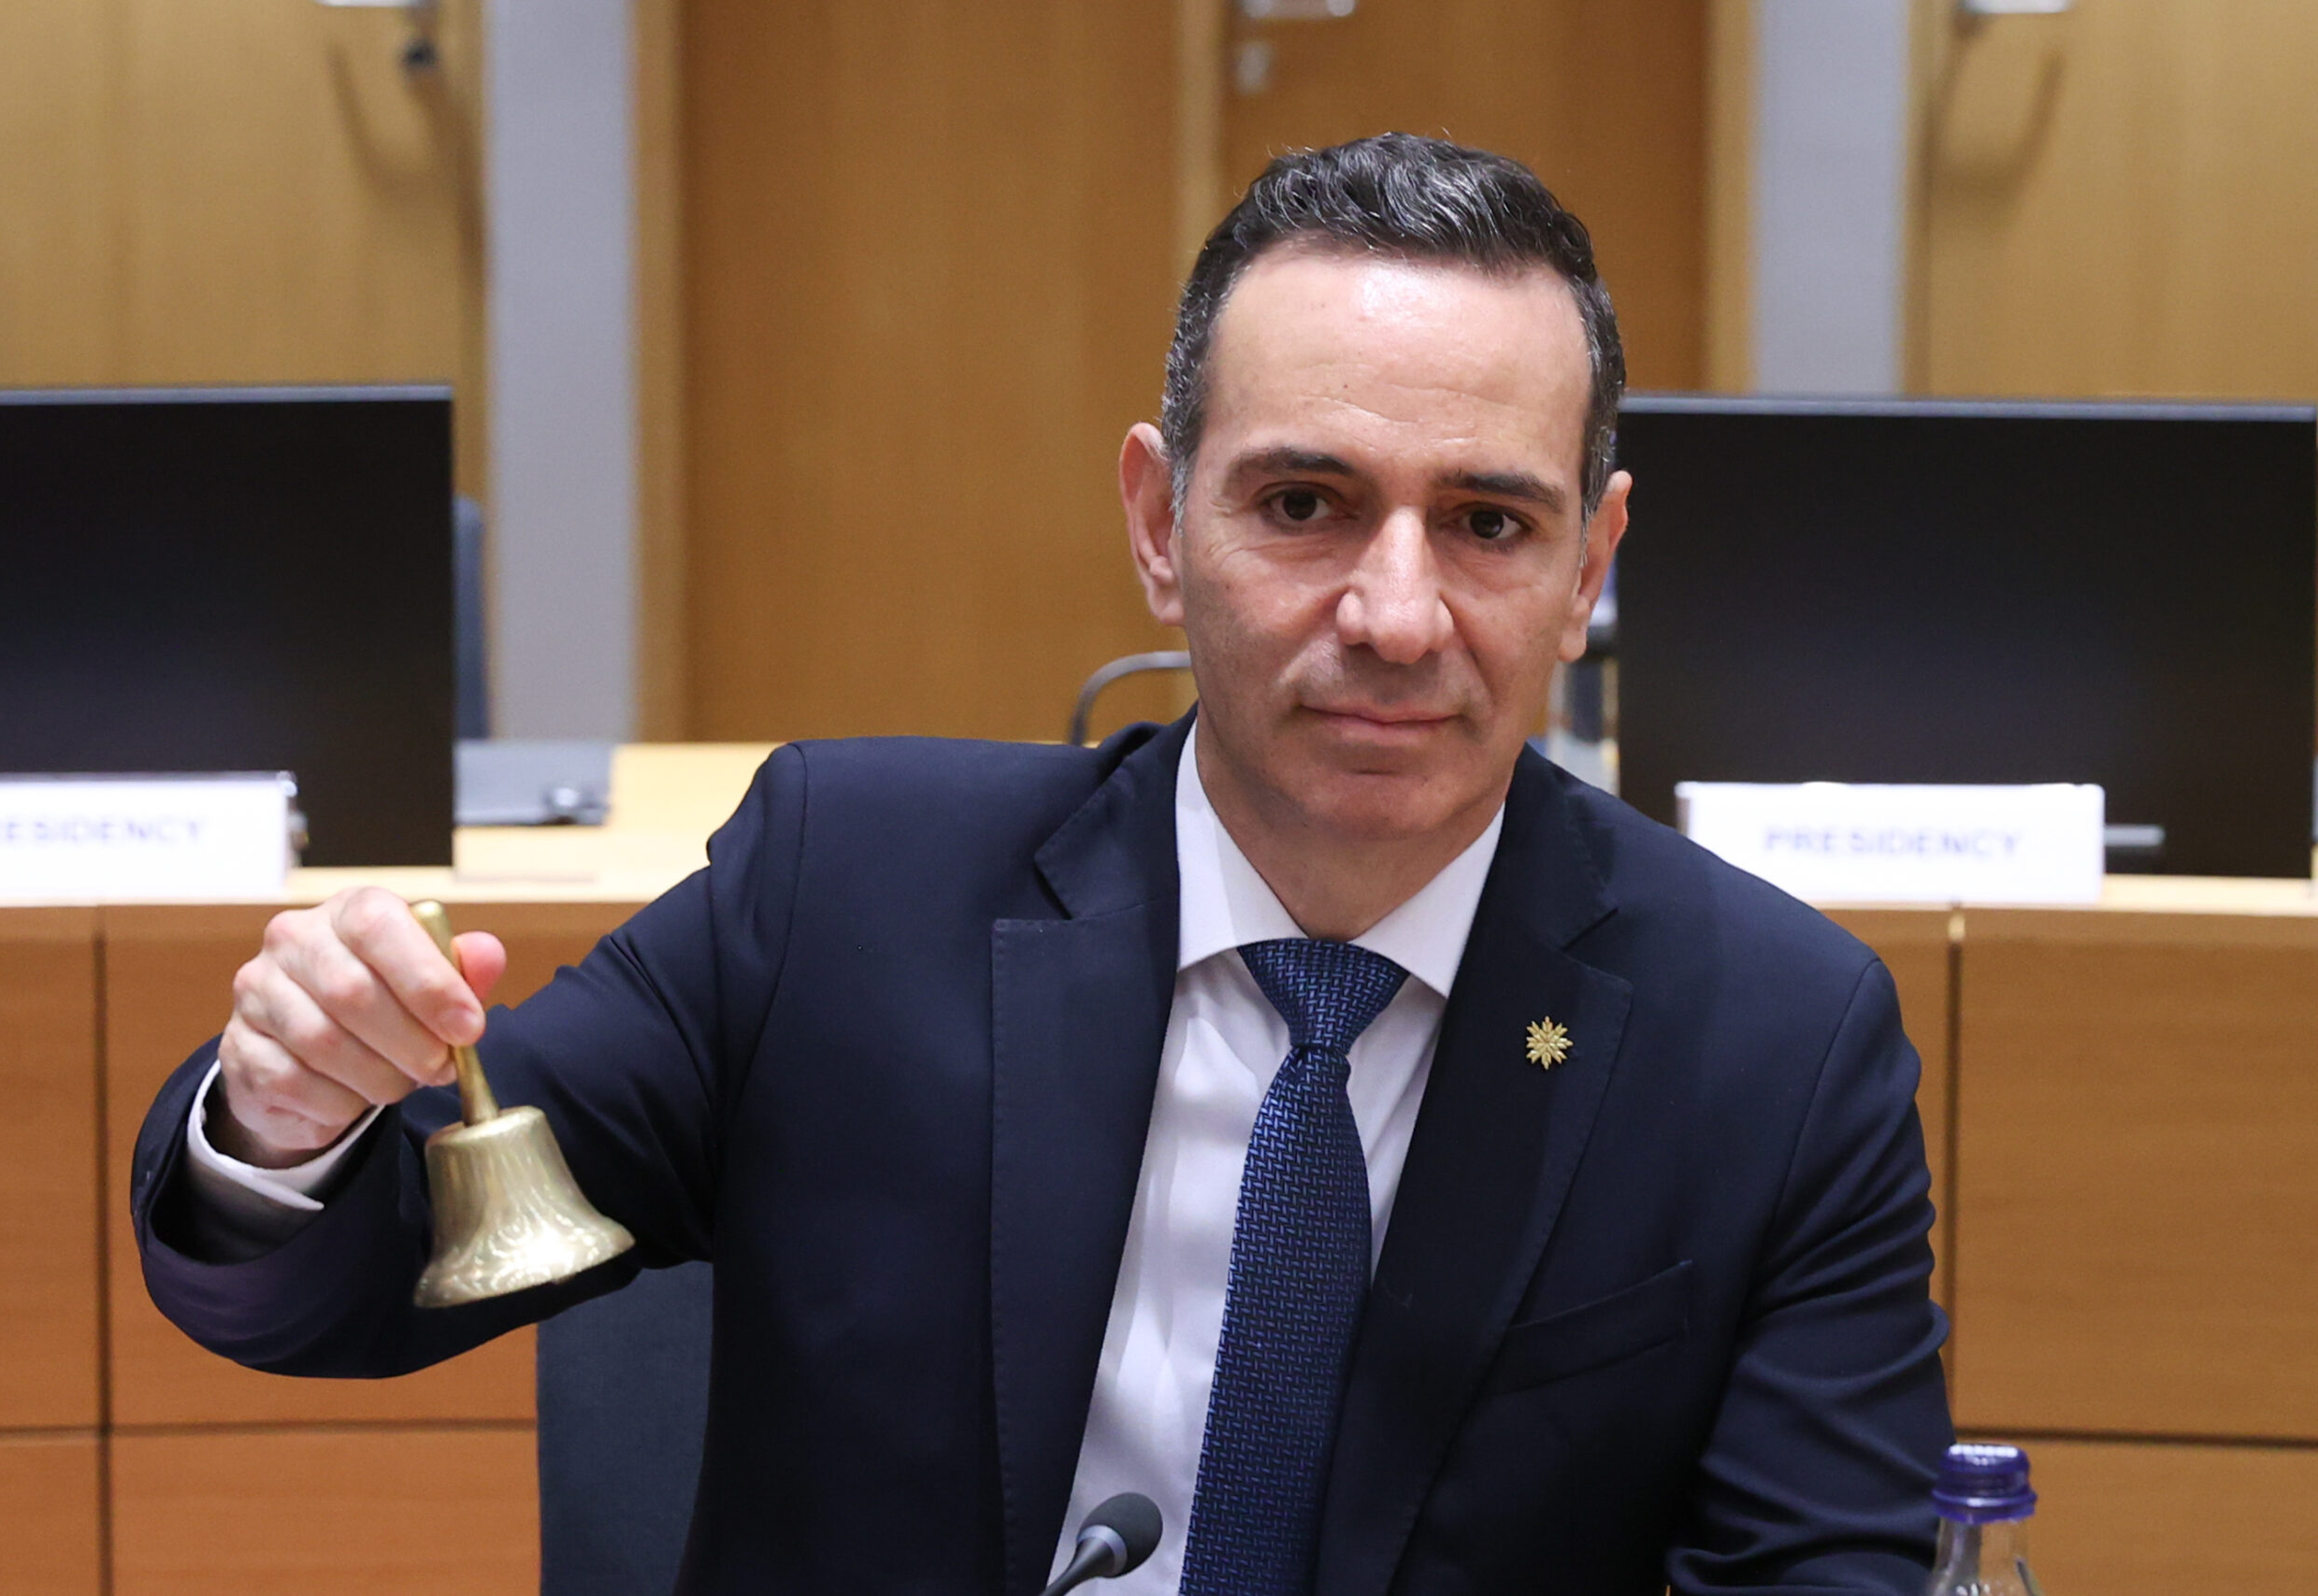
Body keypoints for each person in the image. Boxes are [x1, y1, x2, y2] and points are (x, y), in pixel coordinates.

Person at [134, 133, 1951, 1595]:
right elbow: (368, 1270)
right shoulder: (843, 894)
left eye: (1485, 522)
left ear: (1588, 567)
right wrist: (290, 1116)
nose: (1395, 615)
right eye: (1302, 505)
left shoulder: (1772, 1044)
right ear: (1160, 523)